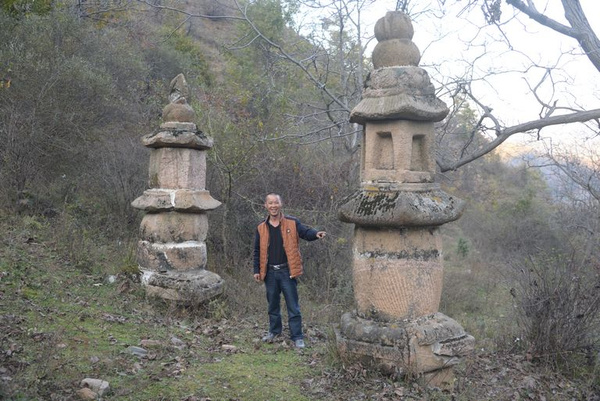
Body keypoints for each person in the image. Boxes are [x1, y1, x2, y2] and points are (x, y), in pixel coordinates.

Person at [253, 193, 326, 349]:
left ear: (281, 204)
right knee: (273, 305)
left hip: (287, 271)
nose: (273, 206)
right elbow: (257, 250)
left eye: (276, 203)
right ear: (266, 206)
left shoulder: (292, 223)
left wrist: (316, 234)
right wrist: (256, 270)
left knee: (293, 306)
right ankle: (274, 331)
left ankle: (297, 336)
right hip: (270, 273)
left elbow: (305, 232)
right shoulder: (261, 227)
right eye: (270, 203)